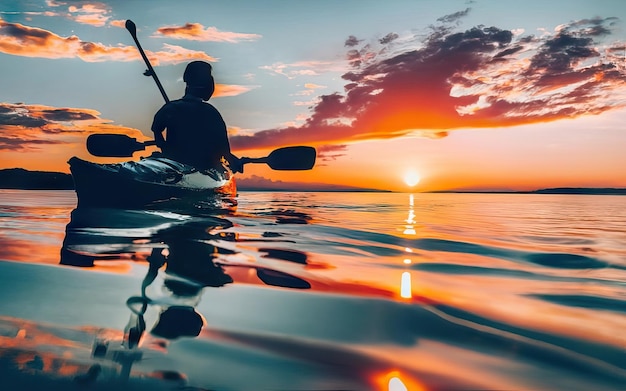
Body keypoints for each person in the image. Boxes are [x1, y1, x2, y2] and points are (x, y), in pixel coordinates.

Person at [151, 60, 242, 173]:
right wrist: (232, 161)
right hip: (204, 167)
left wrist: (165, 150)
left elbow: (156, 128)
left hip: (175, 164)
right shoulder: (211, 113)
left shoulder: (171, 108)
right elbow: (223, 147)